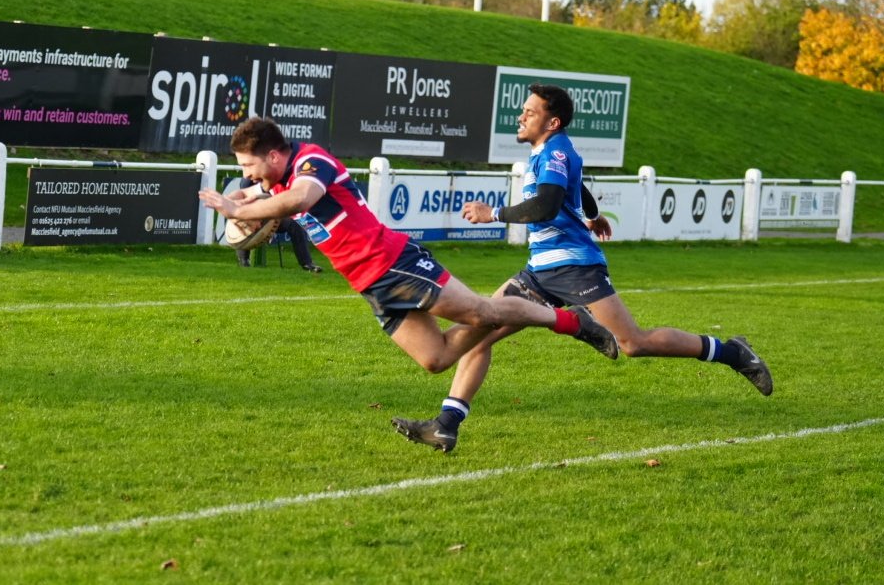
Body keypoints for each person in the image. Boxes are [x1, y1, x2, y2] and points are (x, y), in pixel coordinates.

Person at [391, 83, 773, 453]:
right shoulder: (550, 151)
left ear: (552, 122)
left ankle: (732, 352)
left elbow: (546, 205)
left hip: (575, 267)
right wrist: (593, 213)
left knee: (633, 343)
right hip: (540, 269)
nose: (520, 115)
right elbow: (573, 188)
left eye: (530, 111)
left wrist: (493, 213)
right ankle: (447, 424)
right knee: (481, 330)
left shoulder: (554, 152)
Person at [198, 117, 619, 383]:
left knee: (482, 313)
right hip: (368, 282)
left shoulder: (311, 161)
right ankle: (529, 307)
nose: (246, 175)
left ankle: (571, 321)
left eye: (248, 166)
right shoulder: (275, 179)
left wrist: (239, 205)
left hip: (391, 262)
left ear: (273, 155)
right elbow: (266, 193)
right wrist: (246, 204)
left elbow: (302, 199)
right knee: (436, 359)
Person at [232, 176, 322, 273]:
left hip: (275, 215)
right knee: (245, 221)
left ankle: (307, 263)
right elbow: (244, 201)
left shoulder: (278, 175)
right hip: (255, 214)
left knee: (295, 224)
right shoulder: (249, 179)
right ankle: (243, 261)